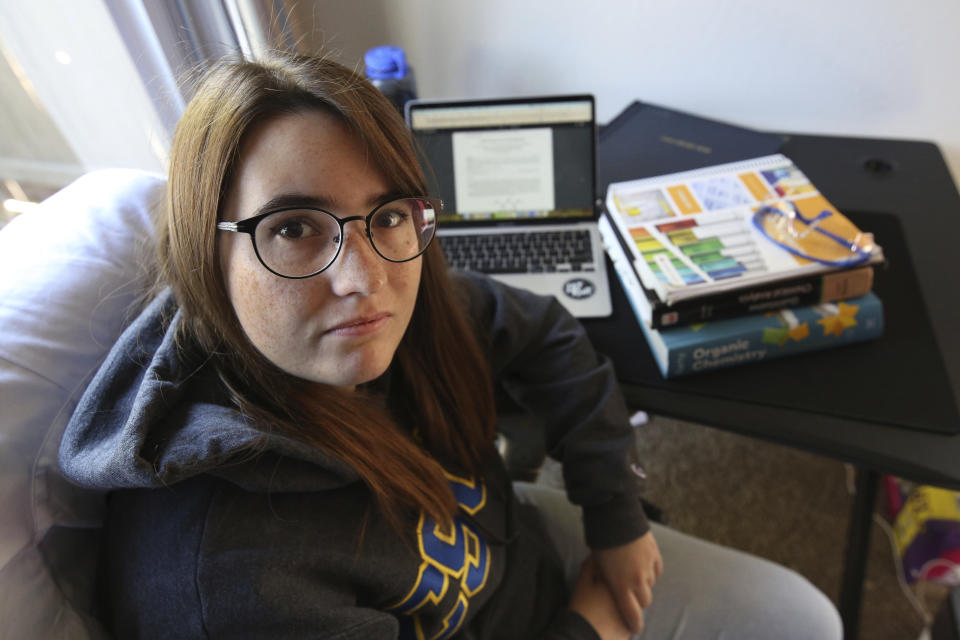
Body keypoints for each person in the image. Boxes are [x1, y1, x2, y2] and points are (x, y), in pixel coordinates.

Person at [59, 51, 842, 640]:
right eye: (295, 229)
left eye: (388, 213)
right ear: (207, 250)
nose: (363, 279)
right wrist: (594, 621)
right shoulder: (230, 590)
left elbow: (542, 331)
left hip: (514, 546)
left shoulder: (399, 297)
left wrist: (614, 508)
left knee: (804, 617)